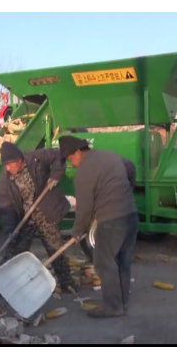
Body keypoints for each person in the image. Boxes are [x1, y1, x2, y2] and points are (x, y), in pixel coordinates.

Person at [59, 136, 138, 319]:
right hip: (130, 215)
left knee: (104, 262)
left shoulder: (84, 172)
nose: (72, 164)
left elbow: (84, 209)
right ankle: (122, 302)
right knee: (122, 262)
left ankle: (112, 307)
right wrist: (126, 191)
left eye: (71, 159)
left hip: (111, 220)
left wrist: (77, 231)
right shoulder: (109, 156)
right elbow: (130, 167)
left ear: (78, 151)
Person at [0, 142, 74, 292]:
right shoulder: (5, 181)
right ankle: (9, 285)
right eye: (4, 165)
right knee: (16, 251)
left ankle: (67, 283)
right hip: (26, 217)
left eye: (9, 164)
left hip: (46, 210)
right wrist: (11, 229)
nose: (7, 168)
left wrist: (56, 174)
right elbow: (7, 207)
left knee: (55, 247)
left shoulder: (35, 158)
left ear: (19, 160)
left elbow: (59, 154)